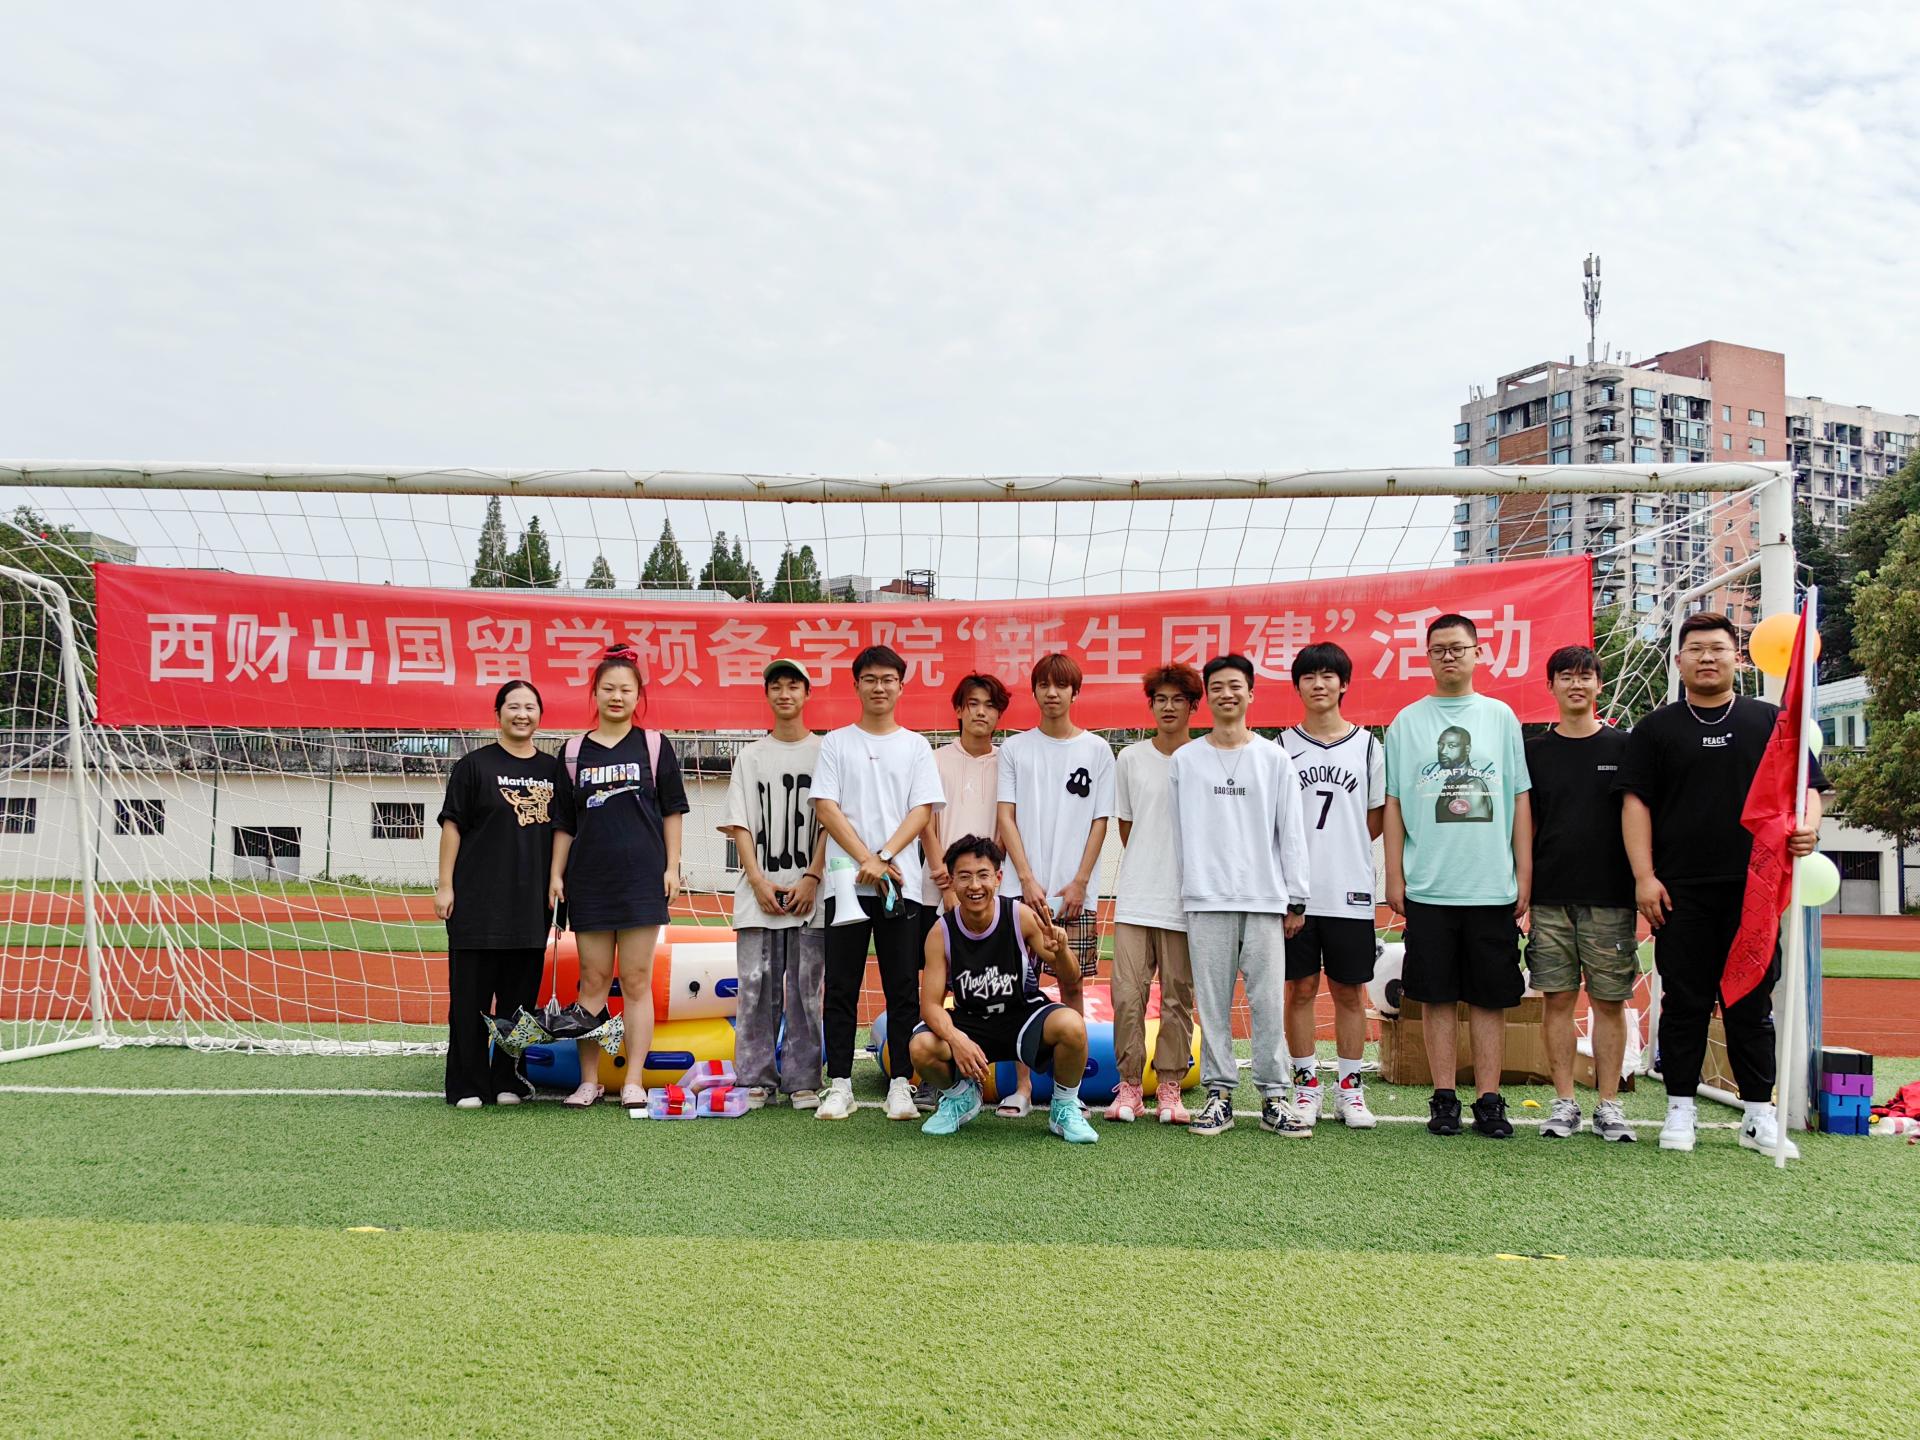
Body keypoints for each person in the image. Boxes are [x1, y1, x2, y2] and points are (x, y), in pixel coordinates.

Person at [1616, 612, 1827, 1158]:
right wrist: (1644, 877)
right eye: (1696, 649)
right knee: (1684, 1001)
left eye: (1717, 648)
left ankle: (1758, 1114)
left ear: (1738, 658)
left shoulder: (1771, 721)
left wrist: (1808, 827)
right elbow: (1635, 804)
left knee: (1751, 1003)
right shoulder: (1656, 729)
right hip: (1679, 890)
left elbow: (1807, 787)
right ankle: (1679, 1107)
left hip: (1755, 890)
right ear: (1679, 660)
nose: (1706, 657)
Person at [1383, 614, 1531, 1140]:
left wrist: (1524, 874)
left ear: (1477, 653)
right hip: (1429, 885)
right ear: (1427, 656)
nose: (1449, 656)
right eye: (1439, 649)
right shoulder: (1406, 723)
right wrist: (1394, 876)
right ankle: (1444, 1097)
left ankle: (1489, 1099)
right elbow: (1394, 804)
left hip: (1491, 885)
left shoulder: (1500, 717)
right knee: (1436, 995)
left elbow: (1519, 798)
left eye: (1458, 648)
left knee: (1491, 997)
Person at [1167, 654, 1313, 1139]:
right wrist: (1190, 889)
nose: (1226, 694)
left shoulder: (1274, 758)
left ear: (1251, 693)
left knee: (1267, 1001)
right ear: (1206, 697)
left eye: (1235, 686)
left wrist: (1296, 897)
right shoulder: (1186, 760)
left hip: (1264, 899)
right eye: (1217, 687)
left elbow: (1291, 831)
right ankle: (1219, 1095)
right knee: (1211, 1003)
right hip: (1206, 898)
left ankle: (1275, 1096)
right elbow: (1179, 834)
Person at [549, 646, 689, 1111]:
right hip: (589, 881)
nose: (616, 696)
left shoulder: (654, 746)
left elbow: (672, 812)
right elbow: (564, 822)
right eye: (608, 688)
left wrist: (671, 866)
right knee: (592, 981)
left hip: (641, 881)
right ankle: (589, 1081)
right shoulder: (573, 752)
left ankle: (633, 1080)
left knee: (635, 980)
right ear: (594, 693)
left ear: (638, 695)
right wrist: (556, 874)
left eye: (625, 689)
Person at [812, 644, 945, 1122]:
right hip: (845, 885)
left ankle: (900, 1085)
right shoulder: (836, 743)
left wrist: (885, 857)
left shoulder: (915, 746)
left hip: (899, 887)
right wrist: (867, 859)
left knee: (902, 986)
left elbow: (922, 810)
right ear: (856, 686)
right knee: (841, 986)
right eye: (870, 679)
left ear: (901, 686)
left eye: (888, 679)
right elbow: (826, 807)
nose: (879, 687)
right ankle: (840, 1084)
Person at [434, 680, 574, 1108]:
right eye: (513, 706)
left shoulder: (553, 771)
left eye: (530, 707)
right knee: (470, 1002)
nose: (522, 714)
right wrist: (445, 885)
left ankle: (507, 1080)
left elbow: (563, 829)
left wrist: (557, 879)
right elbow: (452, 826)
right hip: (476, 903)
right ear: (497, 714)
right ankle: (467, 1084)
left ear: (540, 715)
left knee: (519, 1003)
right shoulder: (473, 766)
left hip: (530, 905)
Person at [909, 834, 1100, 1144]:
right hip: (972, 1022)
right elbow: (930, 1005)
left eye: (983, 875)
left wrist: (1062, 951)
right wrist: (956, 1038)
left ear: (998, 878)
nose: (975, 885)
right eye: (964, 876)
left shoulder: (1019, 916)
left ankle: (1064, 1107)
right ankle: (960, 1097)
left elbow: (1070, 977)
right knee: (921, 1046)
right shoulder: (940, 932)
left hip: (1022, 1016)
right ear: (952, 882)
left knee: (1072, 1025)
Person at [995, 652, 1115, 1116]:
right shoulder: (1015, 749)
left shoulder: (1097, 750)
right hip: (1021, 893)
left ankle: (1070, 1091)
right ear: (1034, 691)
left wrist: (1081, 882)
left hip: (1073, 895)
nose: (1051, 693)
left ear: (1074, 692)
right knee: (1018, 990)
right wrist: (1025, 879)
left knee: (1073, 985)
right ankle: (1023, 1089)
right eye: (1043, 685)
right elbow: (1006, 817)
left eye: (1061, 685)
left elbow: (1101, 821)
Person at [1526, 645, 1637, 1143]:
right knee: (1557, 1000)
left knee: (1609, 1001)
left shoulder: (1625, 748)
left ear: (1599, 685)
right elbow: (1525, 827)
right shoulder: (1533, 752)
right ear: (1550, 685)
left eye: (1585, 676)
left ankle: (1609, 1104)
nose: (1576, 684)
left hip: (1610, 898)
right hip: (1549, 898)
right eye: (1566, 676)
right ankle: (1565, 1101)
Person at [1281, 643, 1385, 1129]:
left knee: (1349, 991)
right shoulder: (1281, 747)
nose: (1319, 684)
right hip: (1297, 895)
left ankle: (1350, 1091)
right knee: (1300, 989)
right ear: (1297, 686)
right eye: (1309, 676)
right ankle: (1306, 1087)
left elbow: (1375, 817)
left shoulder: (1368, 746)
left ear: (1344, 684)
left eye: (1328, 676)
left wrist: (1342, 849)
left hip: (1351, 890)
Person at [719, 659, 827, 1111]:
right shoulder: (750, 756)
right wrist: (758, 880)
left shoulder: (826, 751)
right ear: (767, 695)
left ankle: (803, 1079)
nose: (785, 694)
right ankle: (755, 1077)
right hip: (757, 894)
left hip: (811, 894)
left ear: (807, 694)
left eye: (793, 686)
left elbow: (831, 823)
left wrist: (812, 877)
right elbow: (740, 822)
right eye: (777, 687)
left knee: (806, 990)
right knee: (754, 987)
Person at [1107, 664, 1201, 1125]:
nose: (1168, 707)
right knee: (1127, 996)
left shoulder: (1204, 758)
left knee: (1177, 997)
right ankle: (1129, 1086)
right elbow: (1128, 827)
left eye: (1177, 699)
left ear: (1192, 706)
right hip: (1136, 897)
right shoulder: (1130, 759)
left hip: (1187, 900)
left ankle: (1169, 1086)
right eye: (1160, 699)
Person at [915, 671, 1010, 1110]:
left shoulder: (1007, 762)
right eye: (973, 704)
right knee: (934, 982)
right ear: (958, 709)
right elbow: (927, 824)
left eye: (990, 705)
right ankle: (932, 1078)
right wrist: (946, 882)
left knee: (983, 982)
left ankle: (989, 1071)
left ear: (999, 714)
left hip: (985, 895)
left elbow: (1006, 824)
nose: (981, 712)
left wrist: (983, 882)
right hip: (939, 891)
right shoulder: (936, 760)